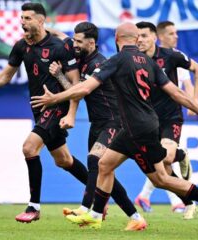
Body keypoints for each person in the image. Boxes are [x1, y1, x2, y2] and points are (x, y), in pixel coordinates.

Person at [30, 22, 198, 229]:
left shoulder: (116, 60)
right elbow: (177, 93)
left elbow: (85, 88)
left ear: (117, 39)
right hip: (138, 126)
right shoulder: (150, 63)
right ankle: (96, 215)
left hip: (137, 130)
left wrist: (55, 98)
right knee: (104, 165)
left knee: (161, 179)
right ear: (135, 39)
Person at [0, 3, 88, 223]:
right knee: (63, 160)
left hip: (56, 107)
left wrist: (70, 114)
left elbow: (76, 85)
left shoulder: (59, 46)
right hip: (39, 109)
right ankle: (99, 193)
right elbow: (4, 77)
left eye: (28, 18)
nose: (22, 22)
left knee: (29, 147)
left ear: (41, 21)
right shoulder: (21, 46)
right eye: (21, 18)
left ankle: (33, 207)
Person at [47, 22, 147, 231]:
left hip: (114, 122)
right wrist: (49, 29)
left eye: (79, 41)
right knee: (104, 172)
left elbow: (80, 92)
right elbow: (65, 39)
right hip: (97, 123)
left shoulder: (98, 64)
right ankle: (136, 217)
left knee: (95, 160)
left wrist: (58, 78)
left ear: (91, 43)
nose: (74, 44)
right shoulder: (83, 58)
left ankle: (87, 209)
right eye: (74, 40)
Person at [134, 22, 198, 219]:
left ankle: (180, 155)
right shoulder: (134, 60)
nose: (140, 40)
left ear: (155, 37)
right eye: (137, 36)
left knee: (165, 158)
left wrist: (195, 101)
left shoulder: (171, 56)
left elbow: (197, 70)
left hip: (170, 117)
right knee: (161, 172)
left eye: (145, 36)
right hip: (148, 120)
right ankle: (188, 201)